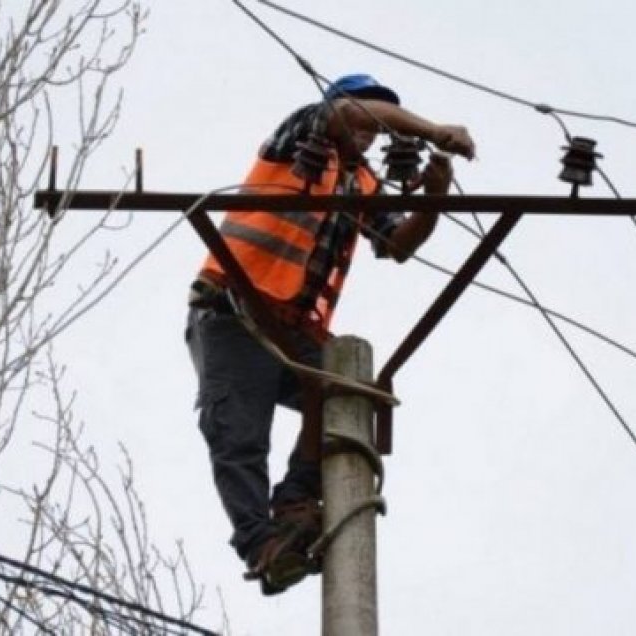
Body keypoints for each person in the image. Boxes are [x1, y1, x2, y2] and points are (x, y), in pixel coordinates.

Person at [186, 74, 475, 594]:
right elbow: (348, 115)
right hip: (235, 310)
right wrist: (433, 130)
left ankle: (296, 502)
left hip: (294, 331)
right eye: (371, 118)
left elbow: (398, 245)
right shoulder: (301, 136)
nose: (373, 133)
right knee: (238, 433)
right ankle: (263, 545)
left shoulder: (362, 183)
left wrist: (433, 198)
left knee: (349, 406)